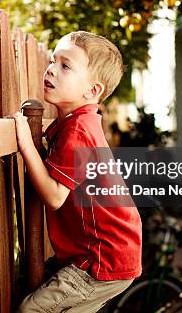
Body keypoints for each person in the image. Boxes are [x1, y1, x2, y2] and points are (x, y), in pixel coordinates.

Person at [9, 31, 142, 312]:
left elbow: (56, 196)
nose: (51, 69)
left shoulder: (79, 130)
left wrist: (25, 144)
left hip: (102, 258)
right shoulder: (72, 125)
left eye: (65, 66)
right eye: (53, 61)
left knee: (30, 310)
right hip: (105, 253)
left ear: (92, 91)